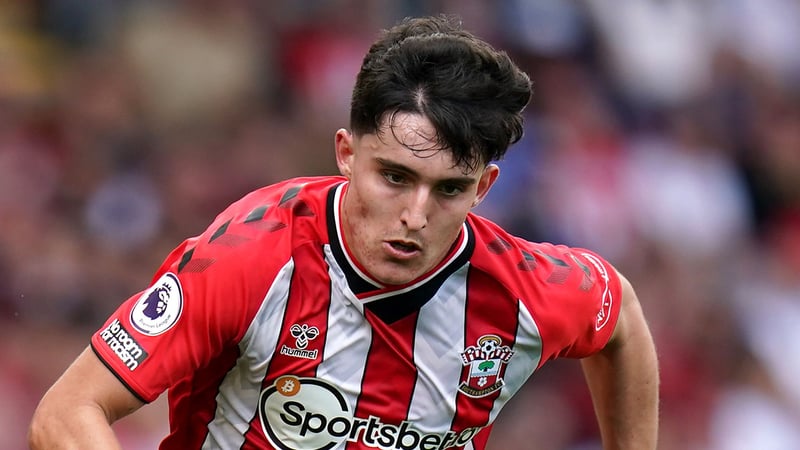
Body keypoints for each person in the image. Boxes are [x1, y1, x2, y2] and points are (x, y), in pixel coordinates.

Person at [28, 15, 659, 450]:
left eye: (448, 189)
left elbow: (620, 316)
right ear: (346, 154)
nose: (415, 214)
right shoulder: (250, 258)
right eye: (395, 177)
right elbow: (65, 414)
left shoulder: (524, 290)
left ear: (484, 188)